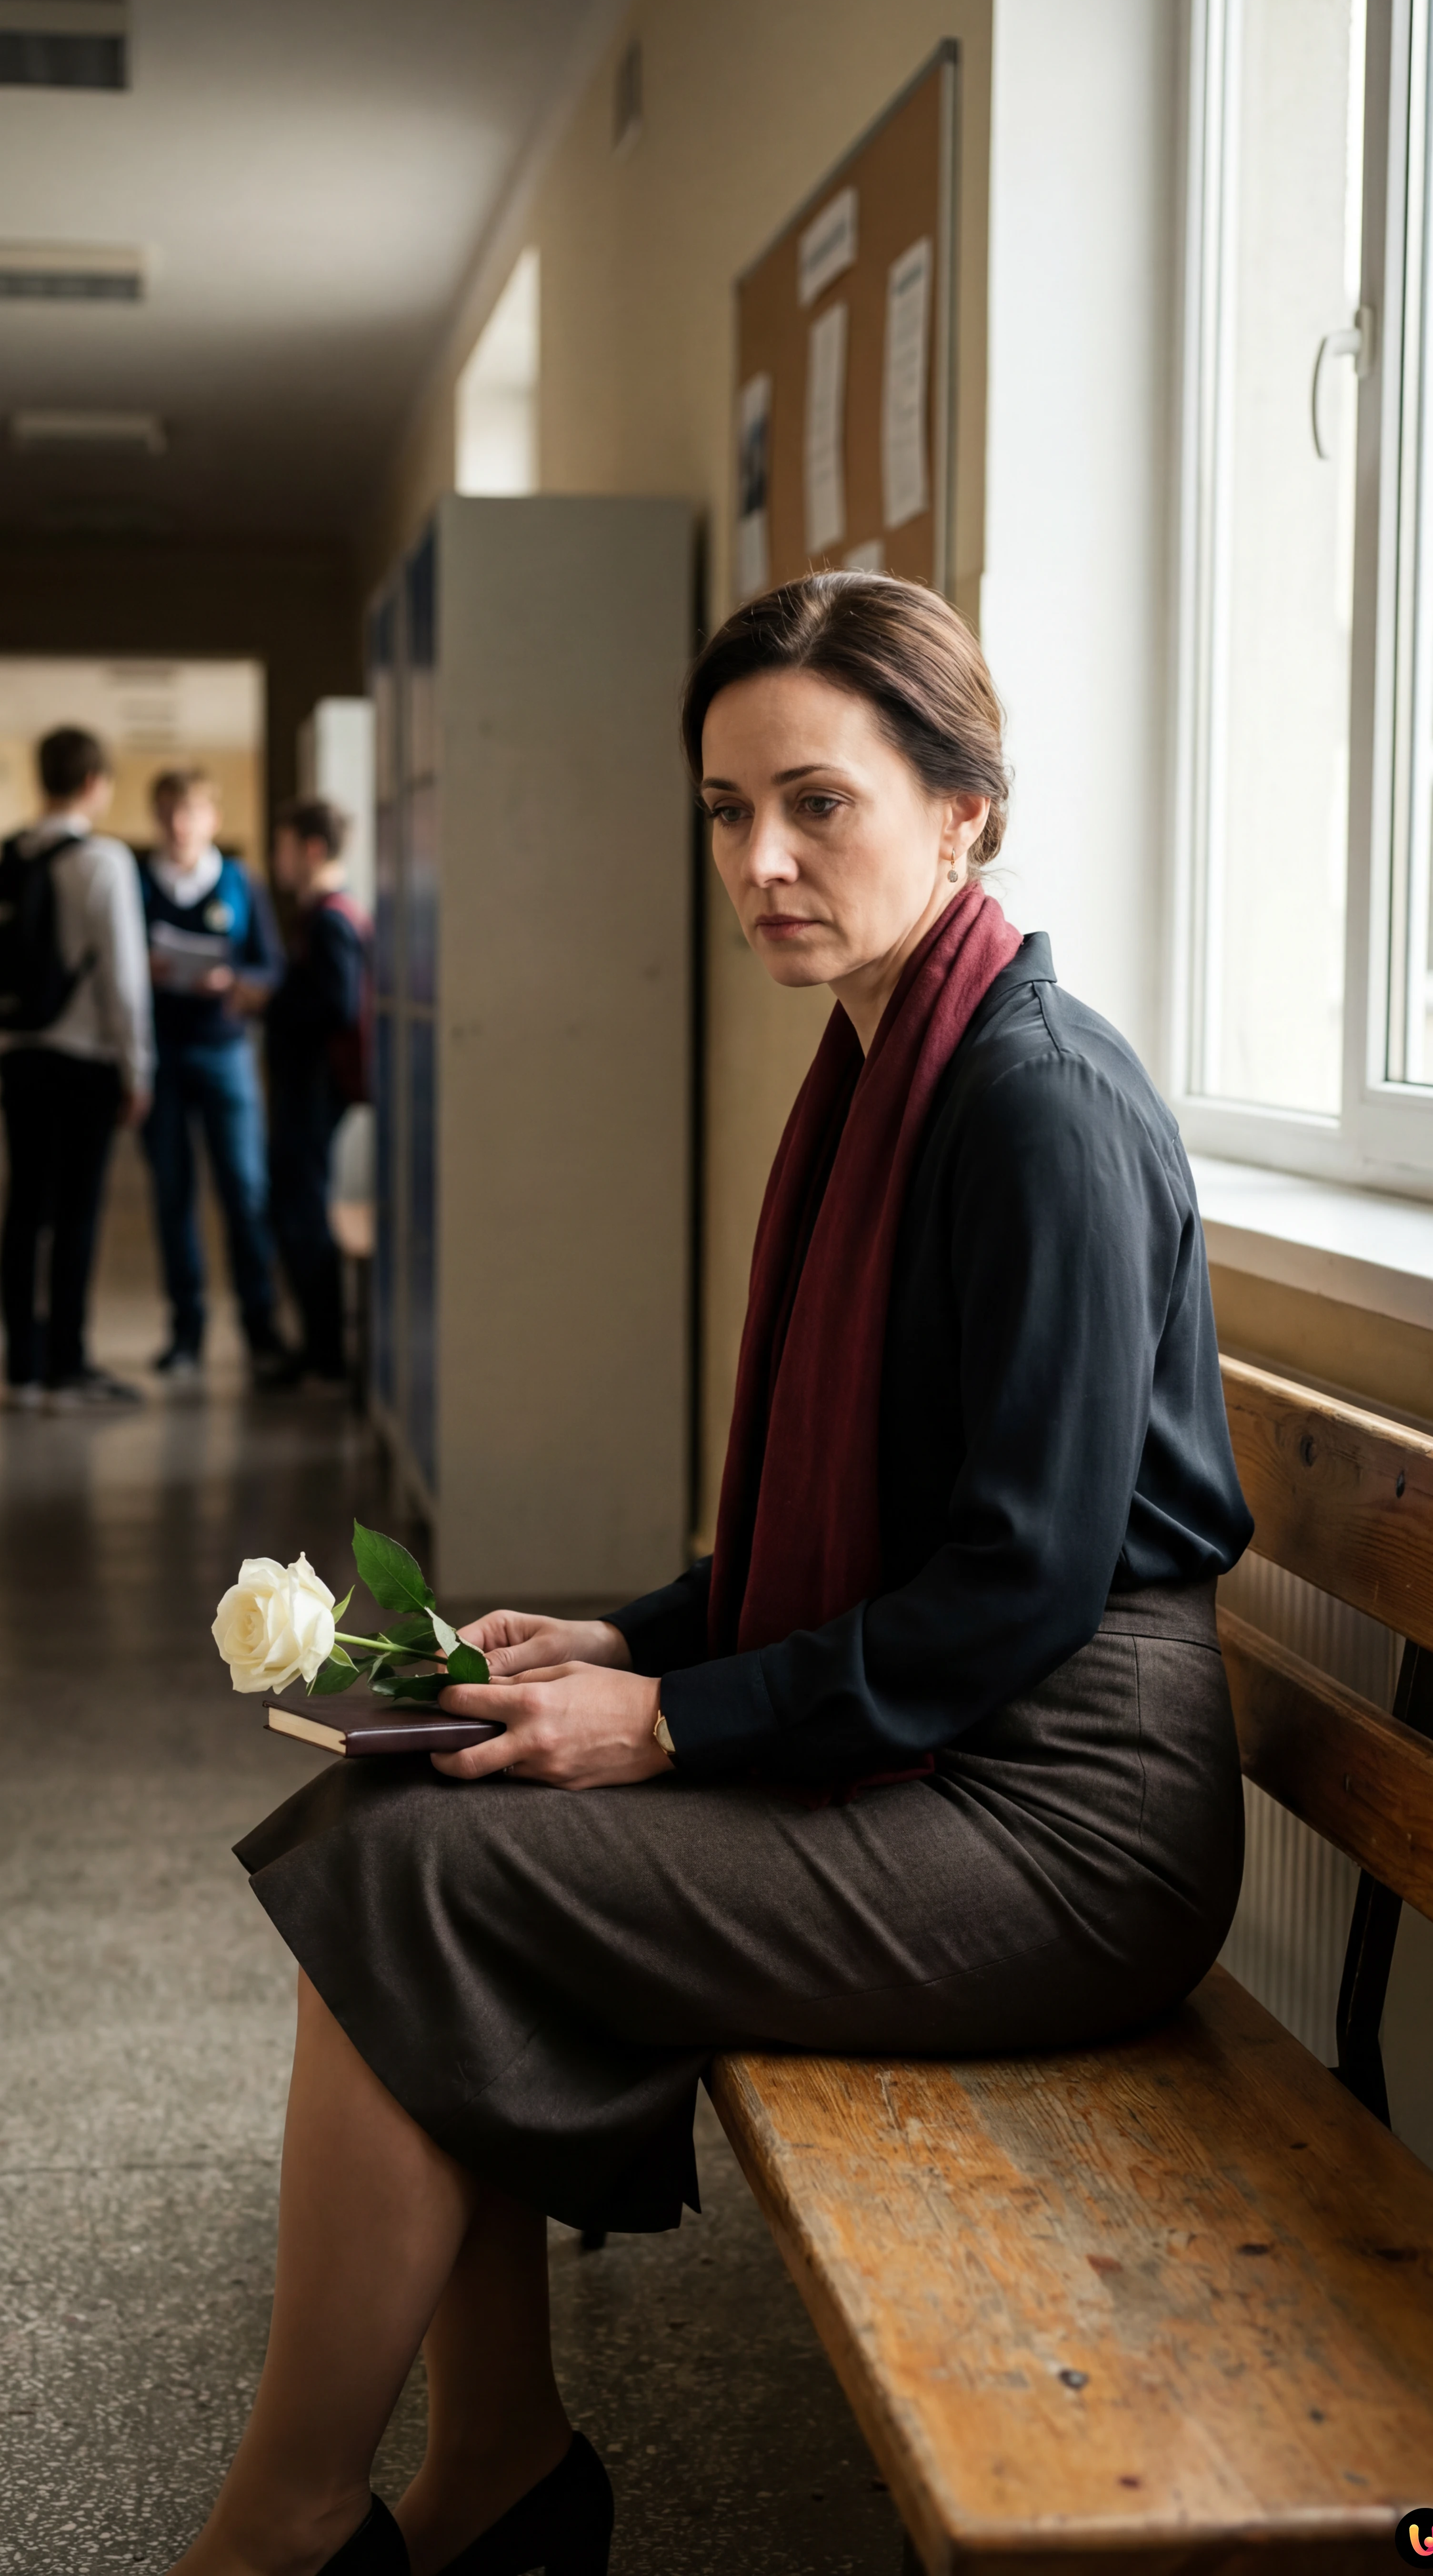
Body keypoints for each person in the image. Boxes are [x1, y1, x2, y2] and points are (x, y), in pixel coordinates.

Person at [177, 576, 1253, 2576]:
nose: (760, 858)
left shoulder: (1031, 1099)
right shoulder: (885, 1064)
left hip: (1060, 1818)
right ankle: (488, 2462)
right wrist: (628, 1635)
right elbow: (870, 1533)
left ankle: (297, 2523)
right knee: (419, 1796)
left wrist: (671, 1713)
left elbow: (1014, 1582)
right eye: (724, 808)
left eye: (816, 802)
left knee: (428, 1862)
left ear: (964, 810)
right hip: (946, 1740)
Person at [0, 724, 153, 1411]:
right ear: (95, 783)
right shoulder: (104, 861)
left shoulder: (10, 856)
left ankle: (20, 1368)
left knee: (23, 1208)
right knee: (78, 1213)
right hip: (85, 1057)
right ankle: (68, 1365)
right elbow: (124, 978)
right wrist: (137, 1068)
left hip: (19, 1053)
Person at [139, 769, 290, 1383]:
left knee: (244, 1192)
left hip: (224, 1052)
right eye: (170, 812)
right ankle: (186, 1332)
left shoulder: (239, 883)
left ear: (212, 820)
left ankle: (261, 1329)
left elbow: (270, 966)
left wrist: (235, 983)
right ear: (158, 818)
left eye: (191, 812)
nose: (180, 824)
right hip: (161, 1055)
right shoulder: (137, 883)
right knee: (172, 1196)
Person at [265, 798, 371, 1385]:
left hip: (315, 1089)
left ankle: (324, 1352)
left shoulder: (331, 918)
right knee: (300, 1209)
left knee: (304, 1213)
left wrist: (272, 1003)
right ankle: (320, 1347)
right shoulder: (325, 914)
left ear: (310, 848)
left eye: (283, 846)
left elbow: (337, 1003)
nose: (278, 860)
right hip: (311, 1088)